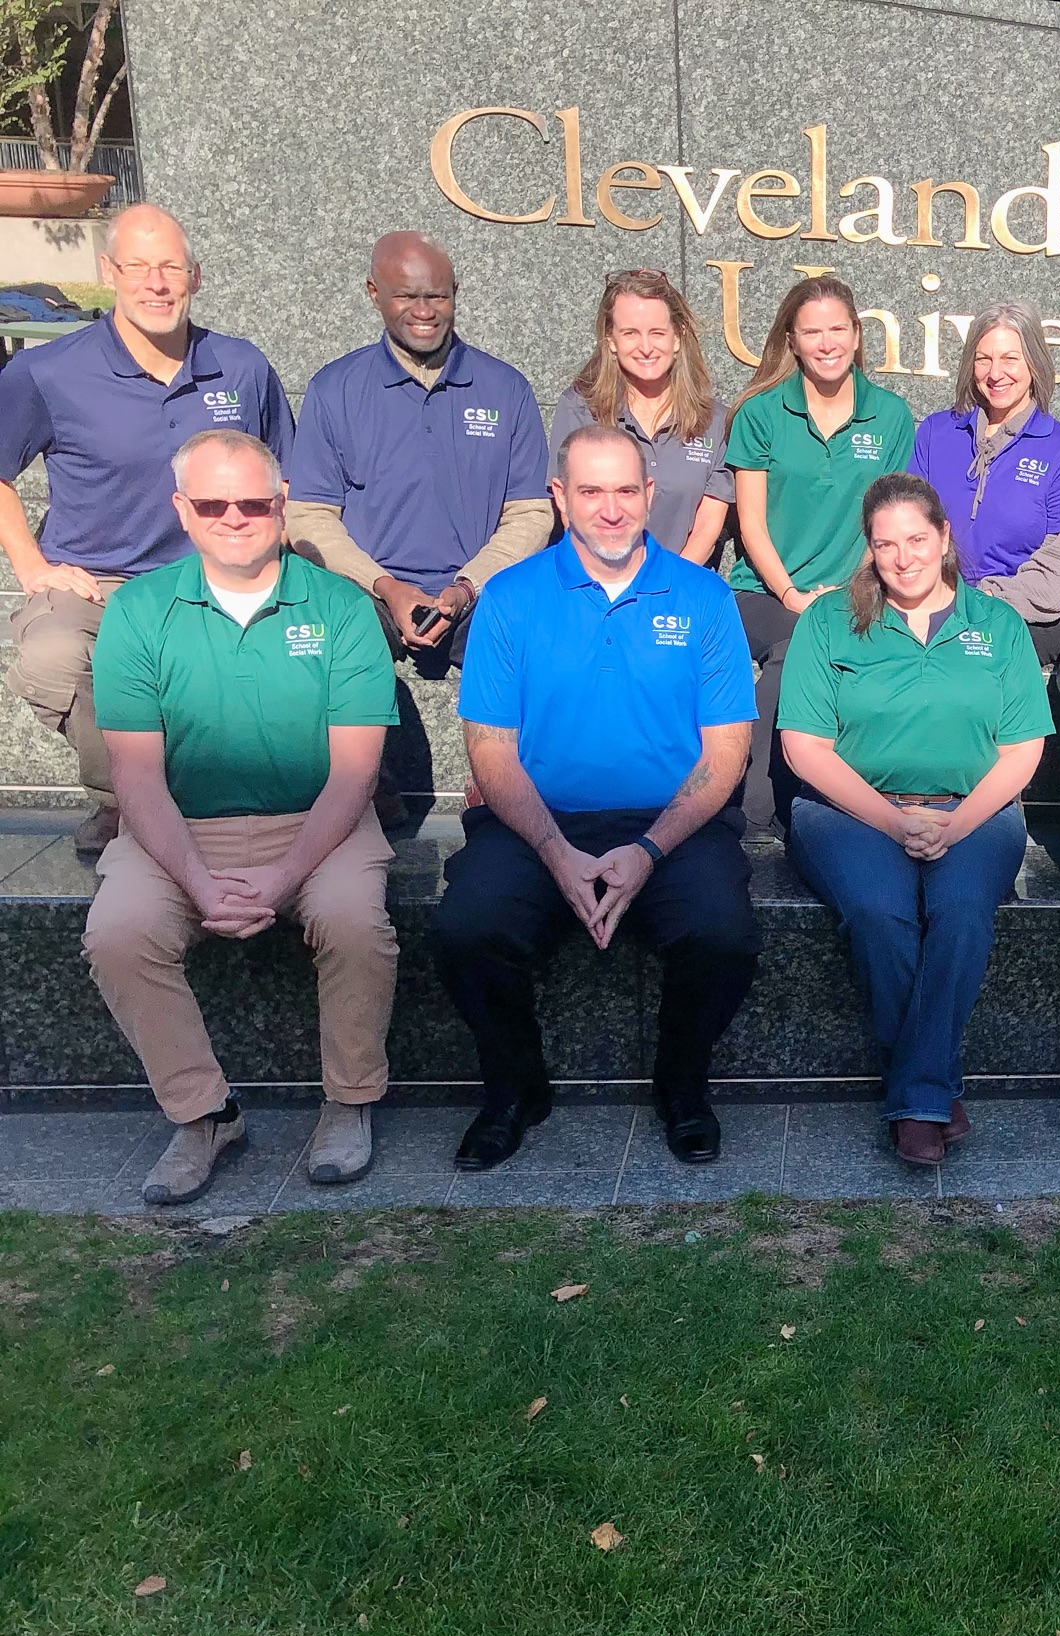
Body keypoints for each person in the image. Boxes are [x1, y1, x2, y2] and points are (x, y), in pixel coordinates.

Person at [431, 426, 758, 1171]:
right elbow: (490, 750)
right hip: (534, 820)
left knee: (724, 932)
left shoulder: (704, 596)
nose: (610, 510)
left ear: (649, 496)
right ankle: (515, 1090)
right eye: (590, 491)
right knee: (466, 929)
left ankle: (681, 1085)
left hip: (672, 823)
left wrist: (648, 851)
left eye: (624, 491)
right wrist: (555, 851)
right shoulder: (511, 599)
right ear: (559, 498)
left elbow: (726, 750)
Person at [83, 429, 396, 1205]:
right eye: (213, 503)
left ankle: (350, 1104)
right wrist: (195, 877)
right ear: (182, 512)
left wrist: (285, 875)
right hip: (177, 827)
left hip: (320, 822)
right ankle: (203, 1114)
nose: (234, 517)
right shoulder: (139, 612)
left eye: (252, 502)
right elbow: (136, 774)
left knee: (355, 922)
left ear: (282, 507)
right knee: (118, 932)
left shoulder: (342, 608)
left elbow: (357, 770)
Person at [0, 204, 292, 858]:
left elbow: (285, 481)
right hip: (97, 585)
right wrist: (33, 569)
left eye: (171, 268)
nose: (156, 283)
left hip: (218, 580)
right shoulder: (47, 371)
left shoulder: (241, 367)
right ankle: (125, 802)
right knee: (51, 657)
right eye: (139, 267)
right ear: (109, 272)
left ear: (196, 276)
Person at [776, 473, 1050, 1167]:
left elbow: (1023, 750)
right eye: (886, 544)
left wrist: (954, 828)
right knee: (878, 911)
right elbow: (804, 748)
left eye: (917, 540)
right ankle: (933, 1090)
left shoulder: (998, 626)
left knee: (961, 912)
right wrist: (895, 824)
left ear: (945, 537)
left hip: (974, 811)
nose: (904, 558)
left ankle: (916, 1092)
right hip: (849, 812)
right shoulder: (829, 620)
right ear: (868, 550)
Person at [287, 232, 552, 683]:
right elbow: (309, 516)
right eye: (406, 296)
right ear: (374, 293)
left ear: (455, 293)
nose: (425, 311)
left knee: (543, 649)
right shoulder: (334, 389)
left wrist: (467, 587)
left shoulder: (506, 388)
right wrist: (386, 588)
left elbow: (530, 513)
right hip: (365, 595)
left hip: (481, 594)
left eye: (438, 296)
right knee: (311, 647)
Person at [726, 274, 915, 835]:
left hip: (858, 591)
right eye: (813, 332)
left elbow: (888, 519)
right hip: (763, 592)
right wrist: (792, 595)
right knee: (794, 641)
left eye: (838, 329)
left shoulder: (891, 415)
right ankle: (756, 816)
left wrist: (852, 588)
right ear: (792, 339)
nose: (827, 343)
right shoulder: (761, 412)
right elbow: (751, 523)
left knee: (807, 643)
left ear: (857, 335)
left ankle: (771, 811)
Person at [909, 301, 1060, 671]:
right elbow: (908, 528)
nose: (996, 373)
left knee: (964, 656)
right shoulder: (936, 433)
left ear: (1034, 364)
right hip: (931, 602)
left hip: (1026, 617)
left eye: (1010, 358)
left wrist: (976, 599)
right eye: (983, 359)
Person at [548, 268, 732, 565]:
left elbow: (707, 528)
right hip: (595, 582)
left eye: (657, 333)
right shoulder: (579, 408)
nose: (646, 347)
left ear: (677, 337)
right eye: (630, 333)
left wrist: (666, 585)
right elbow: (571, 509)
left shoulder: (715, 423)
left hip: (680, 587)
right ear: (611, 340)